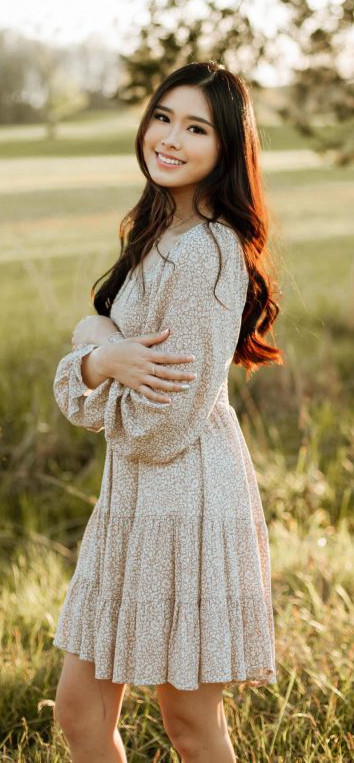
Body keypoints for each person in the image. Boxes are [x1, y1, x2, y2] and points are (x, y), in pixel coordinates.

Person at [52, 60, 284, 763]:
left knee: (187, 716)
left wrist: (94, 353)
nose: (170, 138)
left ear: (226, 149)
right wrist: (98, 356)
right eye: (163, 117)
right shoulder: (158, 233)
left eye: (195, 127)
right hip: (132, 501)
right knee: (78, 709)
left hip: (186, 497)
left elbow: (160, 424)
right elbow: (106, 356)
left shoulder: (209, 254)